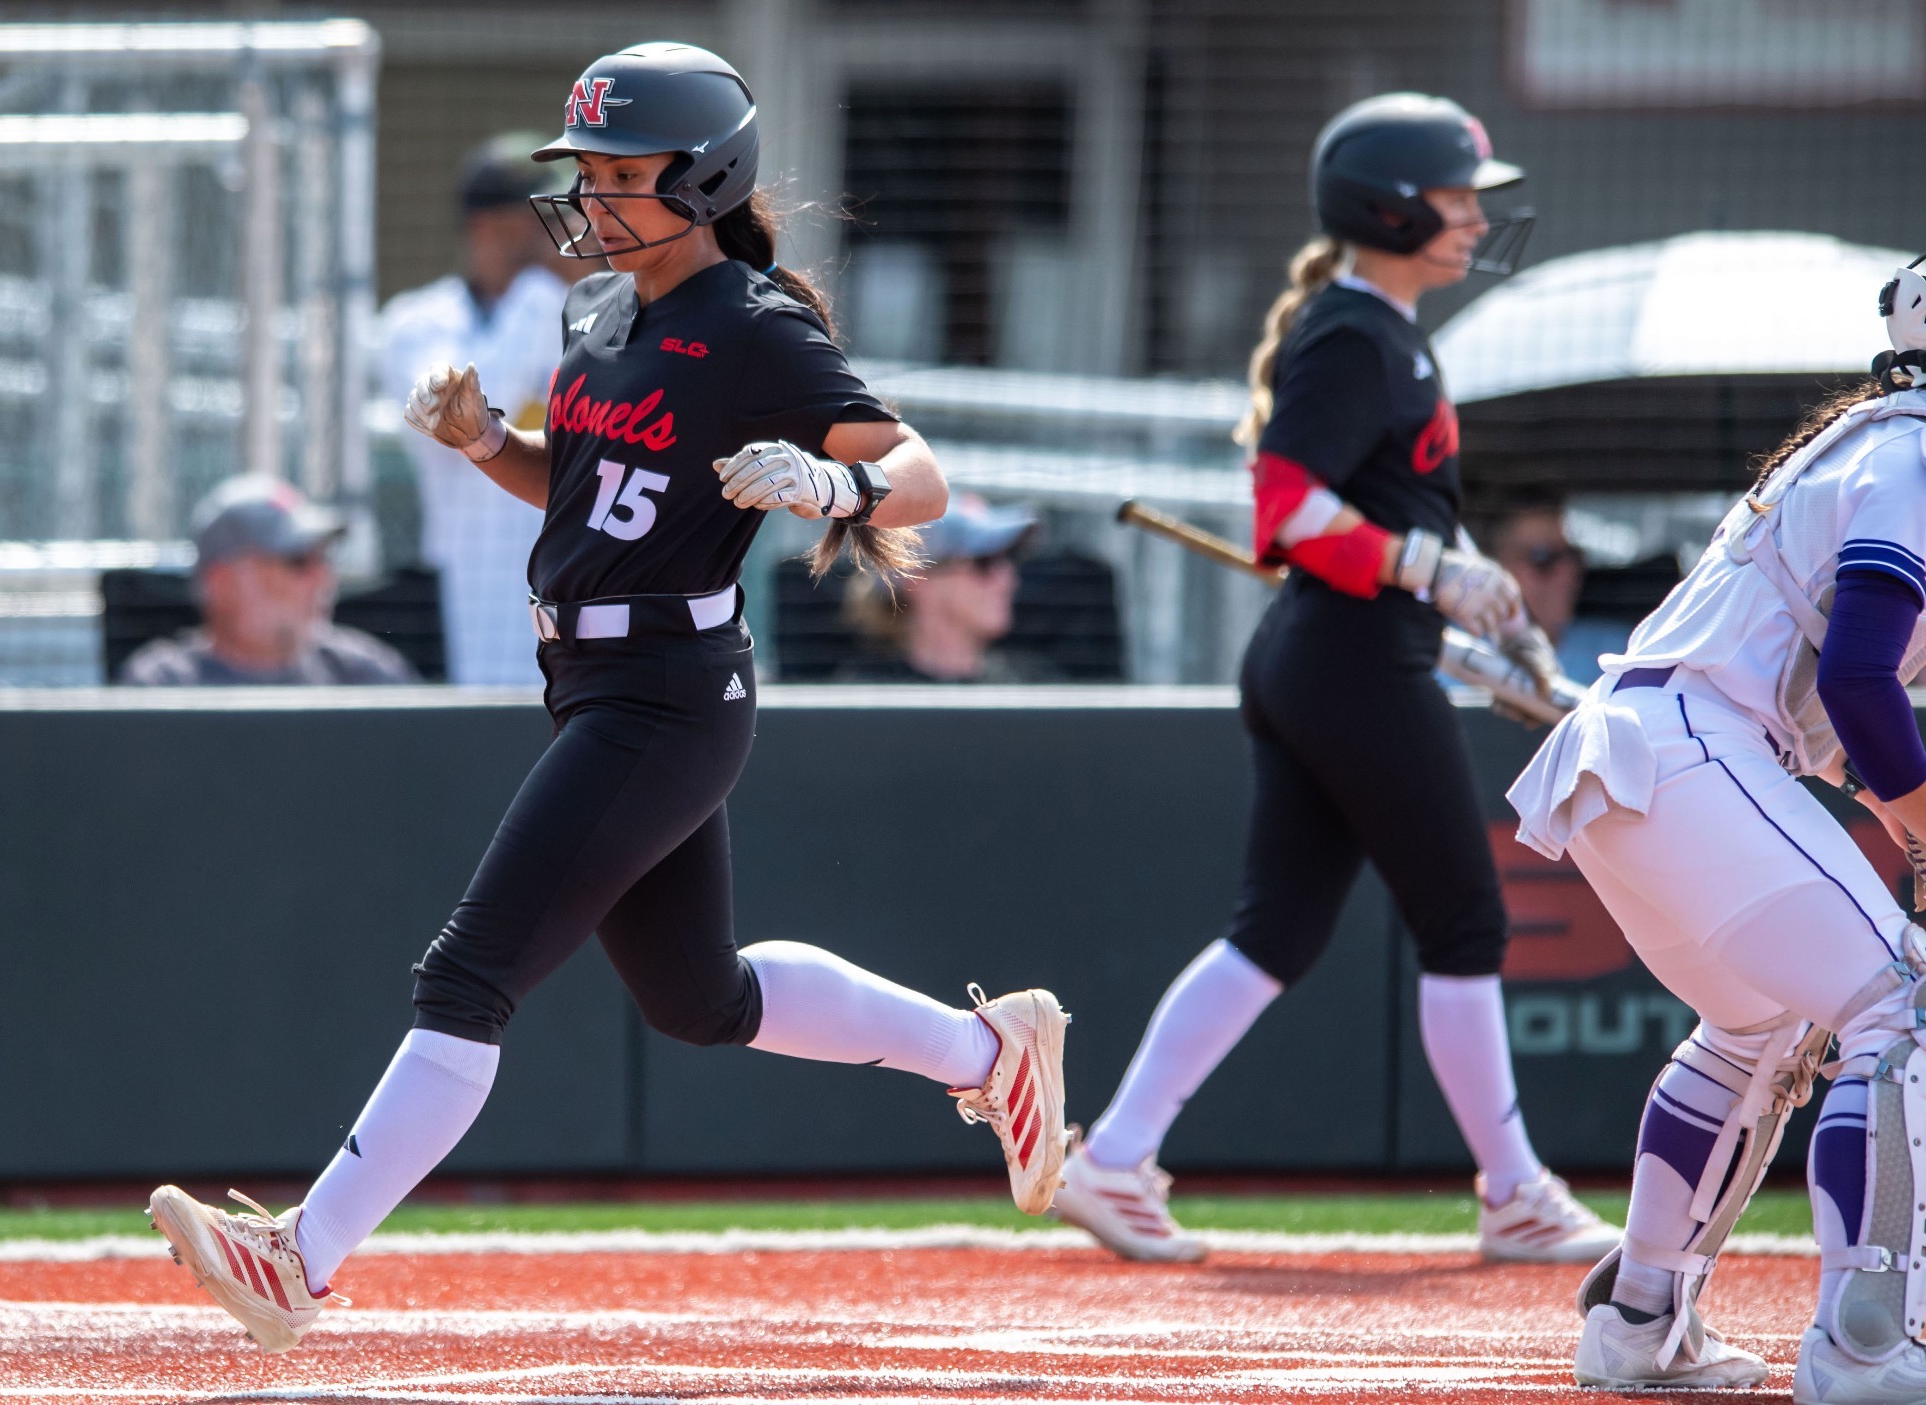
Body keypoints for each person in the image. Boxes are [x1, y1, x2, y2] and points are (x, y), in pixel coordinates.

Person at [147, 42, 1068, 1354]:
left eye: (623, 174)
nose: (593, 197)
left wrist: (831, 487)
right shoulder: (595, 310)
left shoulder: (754, 322)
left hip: (668, 689)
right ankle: (994, 1059)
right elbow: (585, 488)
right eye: (587, 171)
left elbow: (918, 474)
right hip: (593, 678)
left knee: (468, 974)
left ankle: (303, 1257)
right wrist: (484, 446)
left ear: (706, 178)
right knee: (703, 1000)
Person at [1052, 94, 1615, 1266]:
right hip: (1349, 659)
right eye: (1456, 198)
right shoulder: (1356, 333)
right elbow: (1284, 512)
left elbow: (1345, 511)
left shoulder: (1381, 332)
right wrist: (1428, 568)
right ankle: (1513, 1190)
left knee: (1275, 934)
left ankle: (1112, 1158)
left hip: (1341, 654)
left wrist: (1456, 581)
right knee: (1461, 917)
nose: (1473, 218)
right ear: (1390, 207)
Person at [1505, 258, 1926, 1396]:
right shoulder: (1915, 453)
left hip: (1646, 761)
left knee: (1759, 1025)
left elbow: (1836, 703)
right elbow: (1856, 681)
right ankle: (1868, 1342)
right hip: (1687, 753)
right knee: (1902, 1000)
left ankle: (1640, 1318)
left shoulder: (1876, 442)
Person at [377, 134, 576, 686]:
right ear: (486, 227)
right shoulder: (417, 321)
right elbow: (462, 408)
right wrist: (541, 284)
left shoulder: (588, 312)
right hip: (471, 595)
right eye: (541, 219)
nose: (561, 233)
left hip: (574, 585)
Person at [120, 475, 415, 687]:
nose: (322, 577)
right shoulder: (162, 688)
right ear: (222, 584)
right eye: (297, 560)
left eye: (322, 558)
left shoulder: (366, 677)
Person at [835, 493, 1058, 683]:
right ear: (917, 579)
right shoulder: (865, 702)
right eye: (984, 562)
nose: (1008, 580)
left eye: (1010, 558)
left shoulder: (1033, 691)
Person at [1473, 497, 1621, 684]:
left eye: (1572, 556)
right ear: (1494, 568)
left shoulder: (1617, 656)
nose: (1568, 573)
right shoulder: (1452, 655)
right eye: (1543, 558)